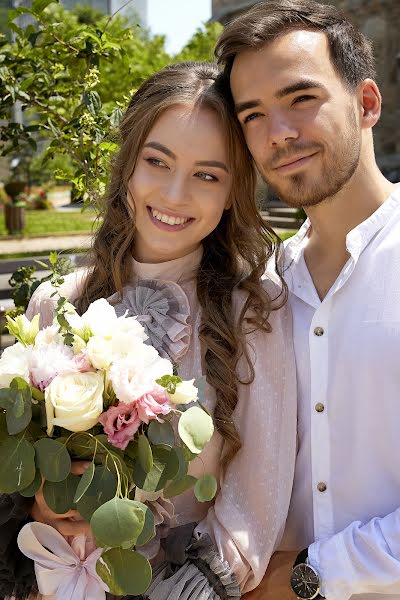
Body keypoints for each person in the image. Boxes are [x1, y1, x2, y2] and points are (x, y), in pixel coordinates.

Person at [0, 61, 297, 600]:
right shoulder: (56, 303)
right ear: (127, 167)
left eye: (208, 175)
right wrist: (43, 502)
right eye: (156, 162)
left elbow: (254, 506)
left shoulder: (254, 314)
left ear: (234, 192)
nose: (175, 194)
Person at [215, 1, 400, 599]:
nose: (279, 134)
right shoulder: (259, 290)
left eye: (301, 99)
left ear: (366, 103)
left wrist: (309, 577)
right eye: (253, 116)